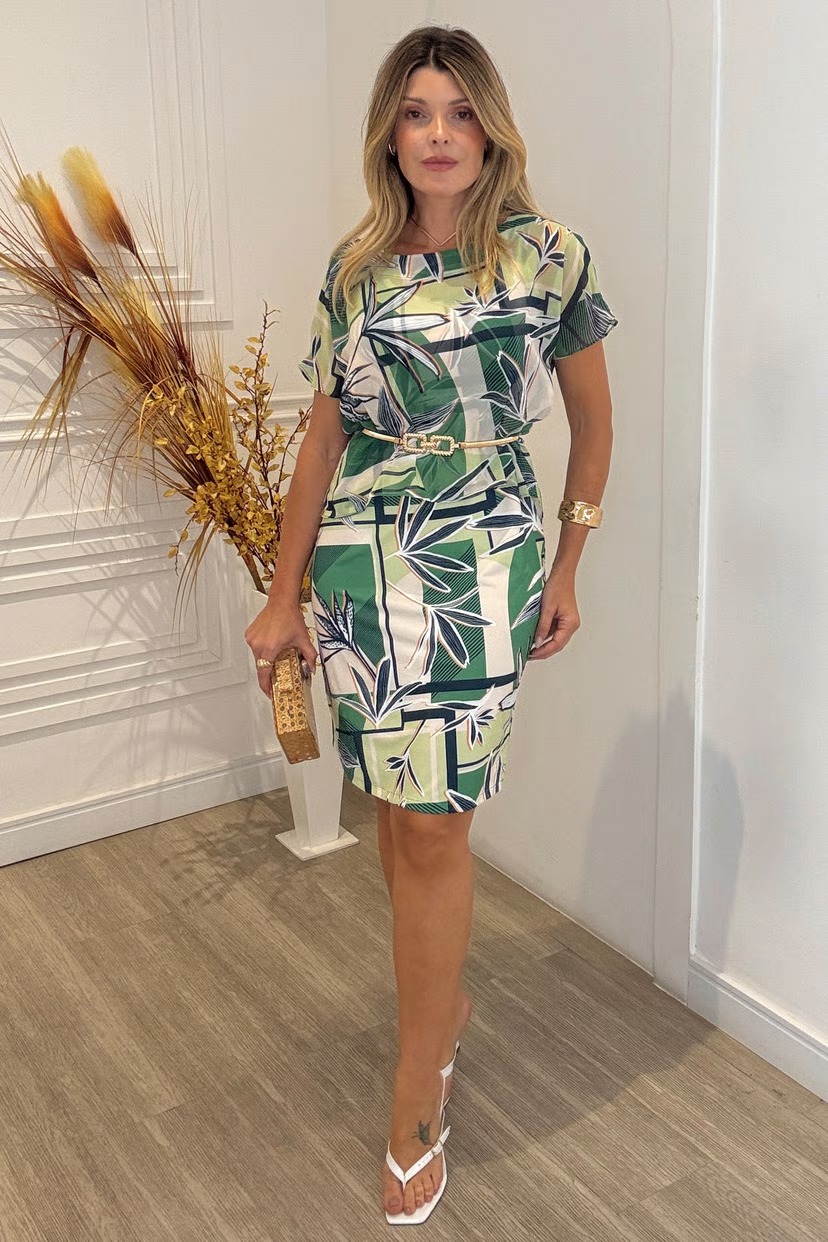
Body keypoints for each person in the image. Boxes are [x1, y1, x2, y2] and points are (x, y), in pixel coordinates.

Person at [244, 23, 617, 1225]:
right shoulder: (354, 267)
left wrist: (569, 562)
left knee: (438, 820)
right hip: (362, 565)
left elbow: (594, 426)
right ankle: (438, 1008)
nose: (440, 133)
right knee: (402, 817)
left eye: (459, 111)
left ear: (489, 126)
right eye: (416, 112)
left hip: (482, 564)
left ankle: (419, 1086)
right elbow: (323, 439)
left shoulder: (547, 256)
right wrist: (283, 593)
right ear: (390, 134)